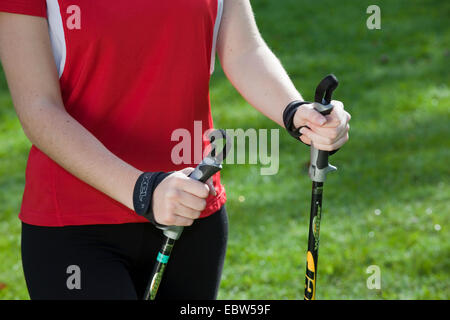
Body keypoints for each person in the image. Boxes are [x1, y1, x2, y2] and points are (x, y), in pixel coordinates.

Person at [0, 0, 351, 300]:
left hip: (191, 211)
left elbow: (244, 50)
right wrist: (145, 190)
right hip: (77, 227)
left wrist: (294, 111)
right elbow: (38, 108)